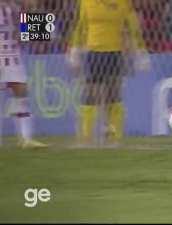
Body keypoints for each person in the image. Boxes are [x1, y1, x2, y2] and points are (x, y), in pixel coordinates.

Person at [68, 0, 149, 147]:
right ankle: (86, 138)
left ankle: (113, 137)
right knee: (90, 95)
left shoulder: (123, 2)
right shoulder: (86, 2)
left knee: (113, 94)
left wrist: (140, 51)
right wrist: (74, 50)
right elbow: (79, 26)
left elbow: (133, 27)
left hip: (114, 53)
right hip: (93, 52)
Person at [0, 0, 48, 148]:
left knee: (21, 92)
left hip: (13, 54)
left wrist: (33, 9)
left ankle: (26, 139)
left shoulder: (15, 7)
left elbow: (39, 35)